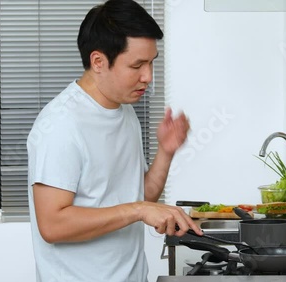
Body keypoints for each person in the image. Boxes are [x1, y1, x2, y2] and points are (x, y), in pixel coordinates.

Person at [26, 0, 202, 281]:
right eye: (137, 65)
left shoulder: (124, 111)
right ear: (98, 62)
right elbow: (53, 225)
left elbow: (138, 197)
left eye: (152, 62)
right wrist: (140, 210)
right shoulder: (60, 125)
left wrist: (166, 152)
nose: (148, 77)